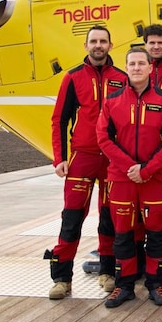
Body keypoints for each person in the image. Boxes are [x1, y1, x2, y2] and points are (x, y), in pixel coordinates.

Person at [96, 47, 162, 308]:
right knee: (122, 235)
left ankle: (156, 283)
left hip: (154, 179)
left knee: (156, 233)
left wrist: (147, 169)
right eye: (131, 64)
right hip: (122, 179)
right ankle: (124, 286)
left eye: (141, 63)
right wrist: (130, 167)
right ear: (127, 67)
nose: (136, 68)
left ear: (149, 68)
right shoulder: (112, 101)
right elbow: (103, 138)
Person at [47, 25, 127, 300]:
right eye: (93, 41)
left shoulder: (122, 78)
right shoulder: (72, 77)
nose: (98, 45)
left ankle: (107, 272)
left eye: (103, 41)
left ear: (110, 45)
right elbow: (59, 119)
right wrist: (60, 158)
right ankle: (62, 279)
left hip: (112, 159)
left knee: (109, 218)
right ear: (86, 46)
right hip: (83, 157)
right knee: (72, 218)